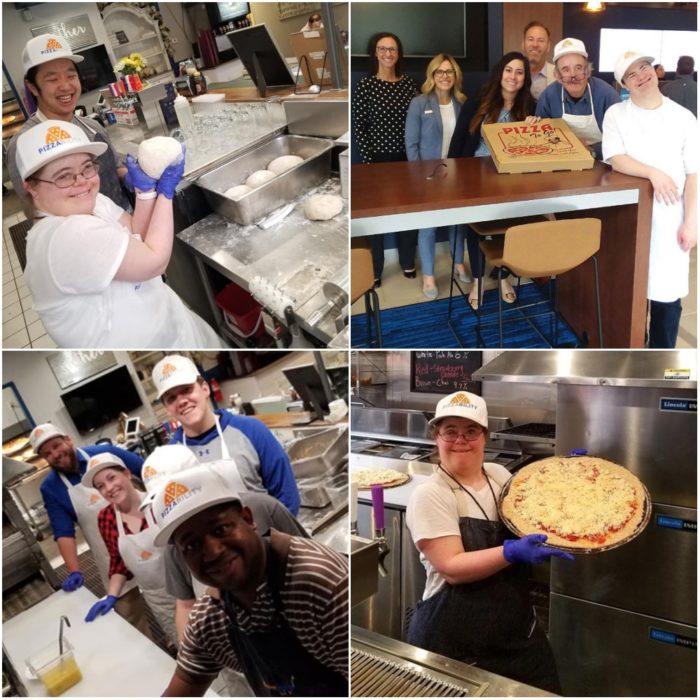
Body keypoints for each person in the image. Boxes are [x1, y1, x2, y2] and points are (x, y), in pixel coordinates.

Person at [405, 391, 574, 693]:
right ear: (436, 436)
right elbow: (452, 568)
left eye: (471, 431)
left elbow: (538, 507)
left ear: (485, 437)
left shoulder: (498, 476)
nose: (460, 440)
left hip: (517, 635)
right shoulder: (431, 494)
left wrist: (566, 476)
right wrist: (511, 552)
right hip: (456, 647)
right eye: (450, 431)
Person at [17, 120, 223, 348]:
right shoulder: (62, 237)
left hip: (173, 322)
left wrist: (144, 194)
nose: (82, 182)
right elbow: (155, 262)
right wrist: (165, 194)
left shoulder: (92, 202)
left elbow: (136, 235)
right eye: (64, 176)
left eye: (87, 167)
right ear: (31, 187)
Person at [152, 468, 348, 697]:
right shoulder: (212, 619)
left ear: (248, 519)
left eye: (220, 529)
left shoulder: (321, 586)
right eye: (192, 545)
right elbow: (185, 684)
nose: (213, 551)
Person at [603, 51, 697, 348]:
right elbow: (615, 158)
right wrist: (653, 173)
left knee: (667, 301)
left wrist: (691, 223)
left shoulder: (683, 117)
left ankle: (662, 368)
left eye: (644, 67)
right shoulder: (616, 114)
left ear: (655, 71)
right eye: (631, 74)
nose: (641, 76)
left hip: (671, 221)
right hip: (630, 220)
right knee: (630, 298)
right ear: (624, 84)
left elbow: (694, 174)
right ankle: (631, 362)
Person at [152, 354, 300, 515]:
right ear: (167, 408)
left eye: (187, 390)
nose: (181, 401)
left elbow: (287, 497)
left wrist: (271, 539)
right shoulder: (169, 458)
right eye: (171, 398)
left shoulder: (252, 430)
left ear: (204, 388)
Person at [448, 52, 537, 309]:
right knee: (474, 230)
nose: (513, 76)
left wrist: (534, 126)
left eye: (519, 72)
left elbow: (537, 146)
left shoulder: (530, 106)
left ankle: (503, 277)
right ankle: (477, 280)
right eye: (509, 70)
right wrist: (454, 178)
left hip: (512, 180)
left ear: (525, 78)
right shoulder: (477, 102)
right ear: (500, 73)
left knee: (510, 229)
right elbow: (457, 144)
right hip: (474, 176)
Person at [7, 33, 130, 219]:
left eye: (70, 75)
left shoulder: (92, 127)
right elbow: (35, 212)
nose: (65, 86)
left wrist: (132, 176)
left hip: (125, 219)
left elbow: (114, 167)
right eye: (52, 79)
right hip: (82, 240)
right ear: (32, 87)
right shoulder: (24, 145)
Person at [29, 422, 144, 594]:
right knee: (126, 613)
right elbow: (64, 532)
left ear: (68, 440)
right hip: (111, 557)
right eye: (47, 454)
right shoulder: (51, 487)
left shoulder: (105, 454)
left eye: (56, 446)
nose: (55, 454)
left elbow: (147, 471)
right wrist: (74, 570)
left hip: (146, 539)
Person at [82, 453, 171, 644]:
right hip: (158, 599)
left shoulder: (158, 501)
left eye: (111, 478)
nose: (109, 488)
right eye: (100, 486)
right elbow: (118, 562)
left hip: (191, 587)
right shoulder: (107, 518)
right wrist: (111, 595)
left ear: (127, 474)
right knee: (189, 651)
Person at [352, 32, 418, 287]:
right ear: (375, 52)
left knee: (408, 215)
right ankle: (375, 269)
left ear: (398, 53)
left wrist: (416, 160)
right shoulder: (366, 86)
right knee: (376, 219)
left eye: (392, 49)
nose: (388, 53)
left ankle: (407, 261)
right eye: (383, 48)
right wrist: (369, 165)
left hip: (407, 160)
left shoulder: (410, 85)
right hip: (377, 161)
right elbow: (360, 128)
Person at [405, 53, 468, 299]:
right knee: (428, 226)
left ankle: (458, 263)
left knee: (458, 222)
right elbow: (411, 143)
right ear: (432, 75)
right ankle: (429, 275)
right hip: (426, 176)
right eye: (440, 72)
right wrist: (415, 176)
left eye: (449, 72)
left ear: (456, 76)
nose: (445, 76)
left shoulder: (462, 103)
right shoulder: (419, 103)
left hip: (456, 174)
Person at [535, 38, 620, 159]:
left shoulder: (607, 95)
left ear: (588, 71)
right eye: (566, 69)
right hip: (561, 160)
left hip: (603, 162)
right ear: (558, 76)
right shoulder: (548, 97)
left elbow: (622, 139)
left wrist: (591, 151)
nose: (573, 75)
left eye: (578, 68)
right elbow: (540, 137)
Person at [521, 21, 555, 99]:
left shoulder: (559, 76)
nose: (535, 45)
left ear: (548, 46)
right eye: (530, 39)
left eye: (541, 40)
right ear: (523, 43)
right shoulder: (512, 75)